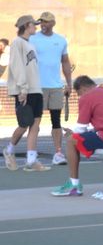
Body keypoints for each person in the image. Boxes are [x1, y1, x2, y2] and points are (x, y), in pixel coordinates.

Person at [50, 76, 103, 199]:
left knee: (71, 141)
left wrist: (71, 134)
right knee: (102, 134)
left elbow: (81, 128)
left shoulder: (87, 97)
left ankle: (74, 185)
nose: (79, 97)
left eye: (78, 94)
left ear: (82, 88)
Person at [5, 15, 51, 172]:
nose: (36, 27)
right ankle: (9, 150)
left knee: (35, 126)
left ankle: (31, 160)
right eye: (34, 24)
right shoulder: (17, 43)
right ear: (26, 25)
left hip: (35, 89)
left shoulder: (29, 44)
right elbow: (17, 67)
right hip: (25, 90)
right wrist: (22, 89)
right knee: (24, 125)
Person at [31, 11, 74, 164]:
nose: (43, 24)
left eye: (47, 22)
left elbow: (65, 62)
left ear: (53, 23)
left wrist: (69, 84)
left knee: (56, 121)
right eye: (41, 21)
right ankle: (32, 154)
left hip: (55, 87)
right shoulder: (32, 39)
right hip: (37, 87)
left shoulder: (61, 40)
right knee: (35, 121)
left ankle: (58, 153)